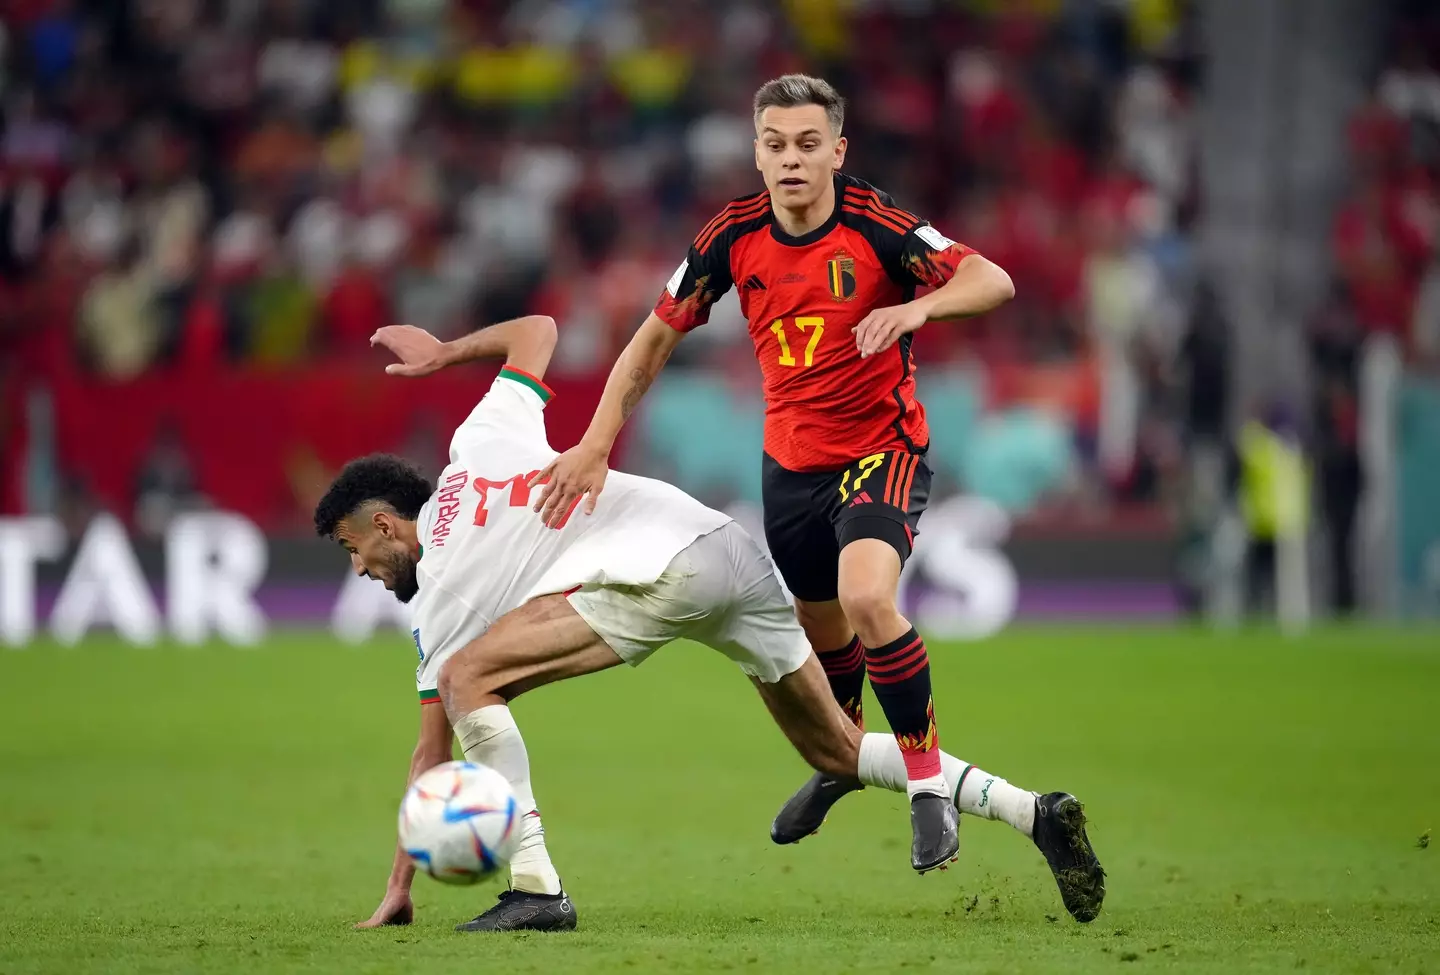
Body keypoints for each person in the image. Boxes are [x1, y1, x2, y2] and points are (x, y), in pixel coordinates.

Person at [319, 316, 1105, 932]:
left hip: (652, 573)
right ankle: (1033, 811)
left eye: (355, 550)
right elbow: (539, 333)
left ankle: (536, 887)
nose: (359, 570)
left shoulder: (440, 600)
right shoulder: (478, 442)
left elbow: (432, 752)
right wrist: (445, 352)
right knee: (832, 745)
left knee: (465, 678)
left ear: (387, 524)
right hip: (721, 547)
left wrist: (398, 884)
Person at [533, 74, 1018, 870]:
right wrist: (593, 442)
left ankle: (928, 784)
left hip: (880, 449)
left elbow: (990, 279)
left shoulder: (877, 223)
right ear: (757, 154)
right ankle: (843, 762)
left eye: (806, 144)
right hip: (790, 467)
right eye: (774, 145)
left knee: (867, 598)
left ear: (837, 150)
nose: (791, 160)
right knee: (823, 637)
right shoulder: (732, 235)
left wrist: (915, 307)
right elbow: (650, 342)